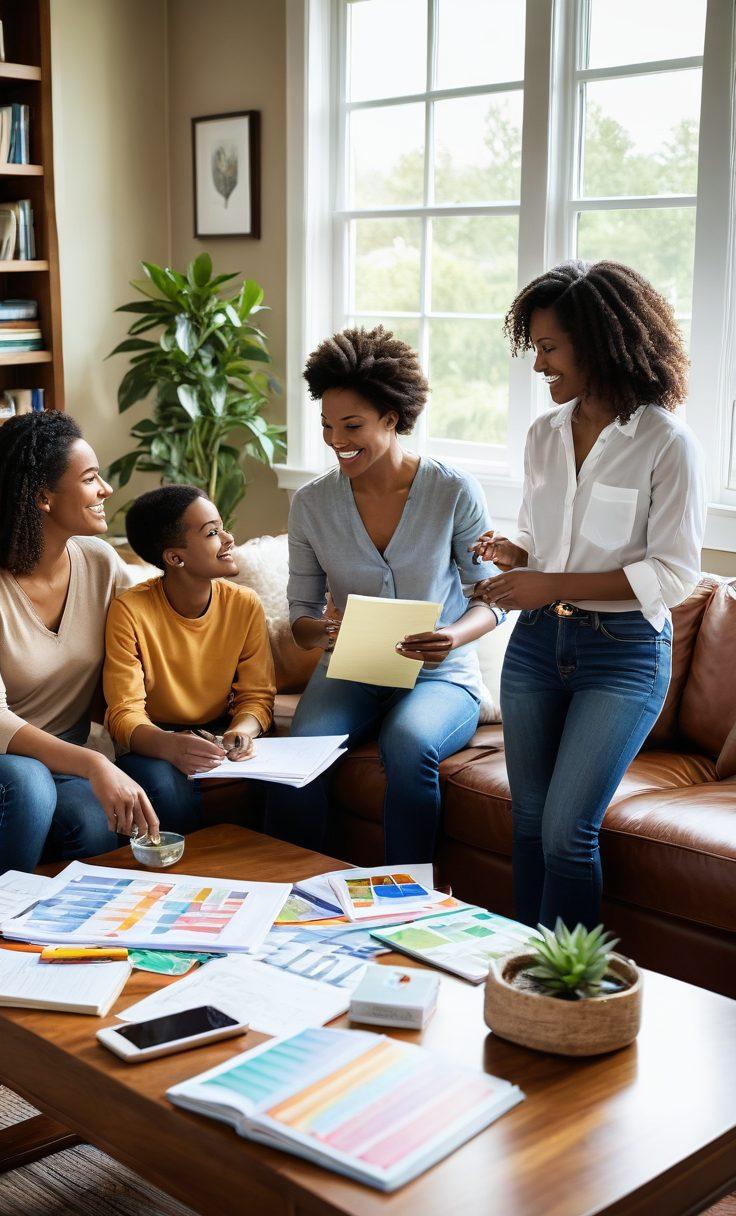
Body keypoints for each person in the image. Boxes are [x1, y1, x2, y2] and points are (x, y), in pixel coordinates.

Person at [472, 260, 705, 932]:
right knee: (525, 824)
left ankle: (564, 991)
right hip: (539, 643)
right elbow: (543, 539)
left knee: (566, 831)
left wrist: (550, 583)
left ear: (600, 344)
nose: (539, 364)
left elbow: (672, 574)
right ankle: (519, 974)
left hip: (624, 654)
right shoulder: (545, 435)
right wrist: (517, 557)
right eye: (535, 347)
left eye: (549, 348)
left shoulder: (666, 442)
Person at [264, 325, 505, 863]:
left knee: (410, 744)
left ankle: (407, 897)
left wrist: (451, 635)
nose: (336, 440)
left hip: (441, 675)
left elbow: (494, 598)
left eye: (352, 426)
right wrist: (324, 630)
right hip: (349, 668)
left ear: (392, 419)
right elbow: (301, 617)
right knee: (299, 753)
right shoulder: (311, 504)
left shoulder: (452, 492)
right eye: (327, 425)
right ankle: (288, 890)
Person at [0, 412, 159, 891]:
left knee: (95, 821)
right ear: (43, 497)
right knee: (24, 785)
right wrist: (94, 762)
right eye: (89, 479)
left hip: (53, 764)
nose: (105, 489)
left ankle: (70, 944)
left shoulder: (101, 563)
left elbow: (145, 654)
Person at [103, 485, 276, 828]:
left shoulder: (244, 604)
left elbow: (257, 696)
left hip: (216, 730)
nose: (228, 538)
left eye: (222, 527)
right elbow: (123, 713)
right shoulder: (130, 611)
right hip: (152, 736)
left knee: (276, 787)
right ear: (174, 557)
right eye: (212, 532)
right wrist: (168, 745)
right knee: (166, 784)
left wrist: (242, 730)